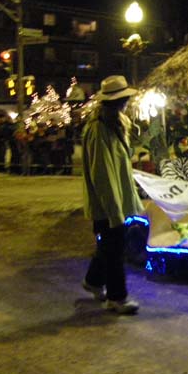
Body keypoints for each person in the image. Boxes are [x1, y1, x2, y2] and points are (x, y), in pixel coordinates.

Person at [81, 75, 143, 314]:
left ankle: (93, 281)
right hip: (107, 205)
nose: (126, 103)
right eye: (123, 99)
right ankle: (117, 298)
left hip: (115, 202)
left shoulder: (116, 124)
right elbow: (102, 175)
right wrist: (114, 211)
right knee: (115, 249)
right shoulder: (99, 129)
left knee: (109, 245)